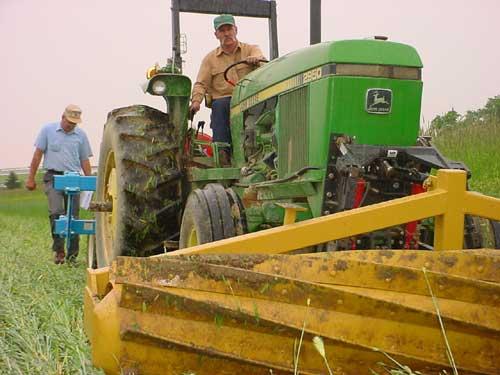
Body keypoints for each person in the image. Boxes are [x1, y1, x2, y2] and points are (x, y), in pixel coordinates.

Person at [189, 14, 265, 164]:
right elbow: (201, 84)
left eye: (229, 29)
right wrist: (196, 101)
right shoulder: (209, 59)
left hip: (250, 98)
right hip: (225, 101)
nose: (226, 33)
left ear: (235, 29)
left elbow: (261, 59)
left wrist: (255, 60)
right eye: (222, 30)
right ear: (216, 34)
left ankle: (266, 149)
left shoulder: (251, 49)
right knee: (220, 106)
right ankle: (223, 153)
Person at [26, 104, 93, 264]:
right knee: (56, 212)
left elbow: (85, 160)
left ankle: (72, 255)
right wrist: (31, 178)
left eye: (74, 123)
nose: (71, 125)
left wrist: (89, 183)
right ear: (62, 117)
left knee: (73, 218)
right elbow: (37, 155)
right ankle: (59, 251)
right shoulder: (47, 130)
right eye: (69, 122)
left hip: (74, 179)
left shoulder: (81, 136)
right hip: (53, 177)